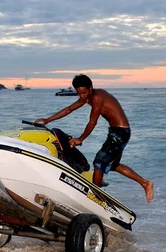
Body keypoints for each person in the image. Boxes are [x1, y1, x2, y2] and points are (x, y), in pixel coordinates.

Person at [35, 74, 154, 203]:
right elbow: (69, 109)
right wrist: (48, 120)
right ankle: (145, 183)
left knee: (99, 163)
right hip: (116, 132)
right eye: (79, 93)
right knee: (112, 165)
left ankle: (95, 198)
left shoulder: (97, 97)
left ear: (91, 88)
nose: (82, 96)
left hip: (120, 132)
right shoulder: (87, 97)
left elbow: (92, 122)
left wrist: (80, 139)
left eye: (84, 93)